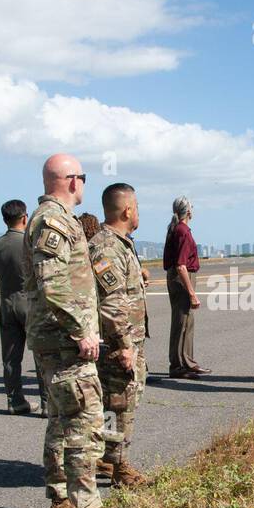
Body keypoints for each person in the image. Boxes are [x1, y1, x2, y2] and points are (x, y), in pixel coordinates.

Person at [24, 153, 120, 508]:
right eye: (83, 176)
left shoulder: (56, 220)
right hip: (65, 342)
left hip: (59, 339)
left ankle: (61, 501)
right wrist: (81, 330)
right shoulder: (52, 221)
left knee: (63, 422)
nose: (85, 184)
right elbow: (52, 284)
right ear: (70, 181)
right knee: (84, 421)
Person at [89, 184, 148, 488]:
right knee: (120, 404)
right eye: (136, 206)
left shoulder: (121, 244)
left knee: (120, 403)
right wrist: (125, 345)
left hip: (129, 341)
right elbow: (111, 304)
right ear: (127, 210)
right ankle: (119, 467)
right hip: (118, 344)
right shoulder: (107, 247)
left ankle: (108, 459)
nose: (138, 211)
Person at [0, 199, 41, 415]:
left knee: (11, 357)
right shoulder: (31, 243)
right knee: (41, 355)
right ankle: (48, 402)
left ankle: (15, 400)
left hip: (7, 303)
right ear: (24, 217)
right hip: (30, 302)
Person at [163, 196, 209, 379]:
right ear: (188, 211)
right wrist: (192, 293)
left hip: (179, 277)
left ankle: (187, 362)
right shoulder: (182, 231)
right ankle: (177, 366)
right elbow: (181, 265)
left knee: (186, 323)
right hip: (182, 277)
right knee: (181, 323)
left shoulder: (178, 228)